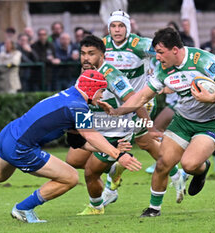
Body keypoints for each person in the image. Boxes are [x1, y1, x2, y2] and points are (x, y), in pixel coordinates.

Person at [0, 69, 141, 226]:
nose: (102, 96)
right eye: (101, 91)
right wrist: (118, 154)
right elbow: (90, 134)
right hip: (22, 147)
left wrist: (111, 148)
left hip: (9, 134)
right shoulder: (78, 106)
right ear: (91, 89)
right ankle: (24, 209)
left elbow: (77, 142)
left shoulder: (72, 98)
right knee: (70, 177)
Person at [98, 27, 215, 217]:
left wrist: (213, 97)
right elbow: (141, 97)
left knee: (189, 165)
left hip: (211, 121)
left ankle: (202, 168)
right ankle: (153, 209)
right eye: (155, 52)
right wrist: (117, 111)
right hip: (183, 120)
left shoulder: (202, 59)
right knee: (163, 163)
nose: (157, 57)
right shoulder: (163, 71)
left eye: (160, 52)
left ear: (175, 50)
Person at [102, 10, 187, 204]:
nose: (117, 30)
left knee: (118, 139)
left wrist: (163, 77)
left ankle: (110, 188)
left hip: (142, 102)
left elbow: (166, 53)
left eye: (121, 26)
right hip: (121, 104)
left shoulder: (140, 44)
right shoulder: (103, 45)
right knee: (146, 142)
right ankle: (176, 174)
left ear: (128, 28)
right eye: (114, 26)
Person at [64, 35, 151, 215]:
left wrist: (150, 126)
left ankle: (96, 206)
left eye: (91, 54)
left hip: (115, 133)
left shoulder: (111, 75)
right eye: (82, 53)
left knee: (90, 173)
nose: (86, 58)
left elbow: (135, 100)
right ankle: (113, 168)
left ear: (102, 55)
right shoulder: (85, 73)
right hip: (95, 131)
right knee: (73, 160)